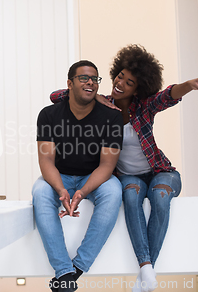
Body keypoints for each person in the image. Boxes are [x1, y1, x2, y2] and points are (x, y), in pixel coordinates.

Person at [50, 45, 198, 292]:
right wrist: (96, 96)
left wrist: (190, 85)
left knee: (160, 197)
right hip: (129, 176)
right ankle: (146, 268)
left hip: (160, 172)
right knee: (130, 195)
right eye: (120, 77)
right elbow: (56, 96)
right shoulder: (101, 105)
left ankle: (145, 269)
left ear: (138, 88)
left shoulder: (145, 106)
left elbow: (168, 95)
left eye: (129, 82)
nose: (121, 83)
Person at [33, 60, 124, 292]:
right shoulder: (48, 115)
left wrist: (82, 192)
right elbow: (46, 161)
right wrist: (61, 190)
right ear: (69, 84)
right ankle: (63, 272)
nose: (90, 82)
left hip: (91, 177)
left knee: (114, 190)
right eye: (83, 78)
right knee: (41, 191)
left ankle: (79, 267)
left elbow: (107, 165)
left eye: (94, 79)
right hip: (59, 175)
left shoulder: (112, 118)